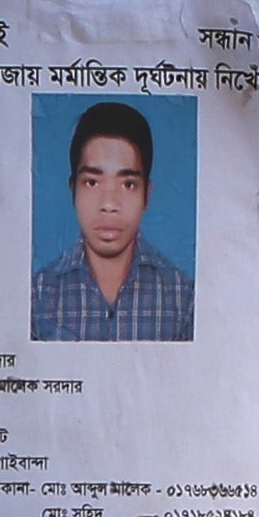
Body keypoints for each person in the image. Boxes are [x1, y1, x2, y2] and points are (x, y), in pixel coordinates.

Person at [34, 103, 195, 343]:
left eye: (128, 184)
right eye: (92, 182)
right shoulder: (38, 295)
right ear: (73, 190)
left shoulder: (182, 296)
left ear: (147, 196)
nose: (109, 204)